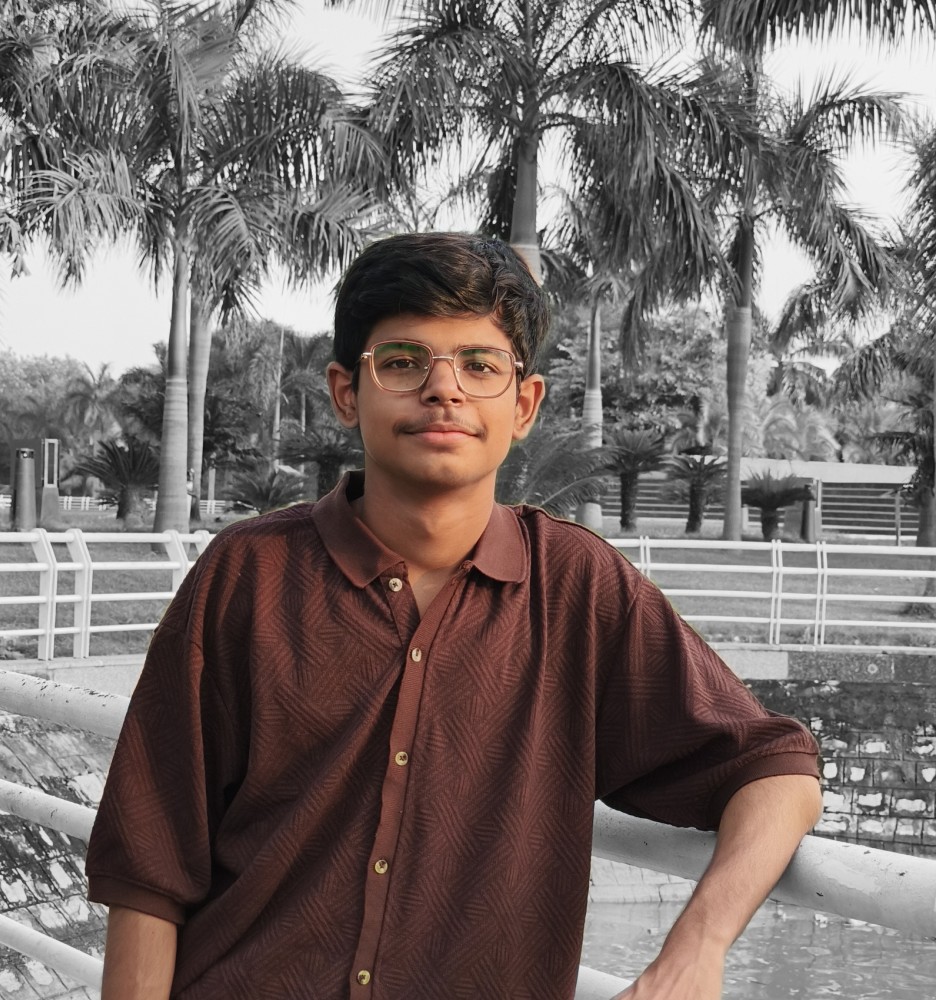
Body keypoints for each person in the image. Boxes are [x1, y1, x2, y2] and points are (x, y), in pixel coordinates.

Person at [86, 232, 821, 1000]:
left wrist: (695, 950)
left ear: (524, 405)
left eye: (480, 365)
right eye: (404, 362)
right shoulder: (248, 575)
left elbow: (777, 773)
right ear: (346, 391)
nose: (444, 390)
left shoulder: (575, 591)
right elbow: (151, 866)